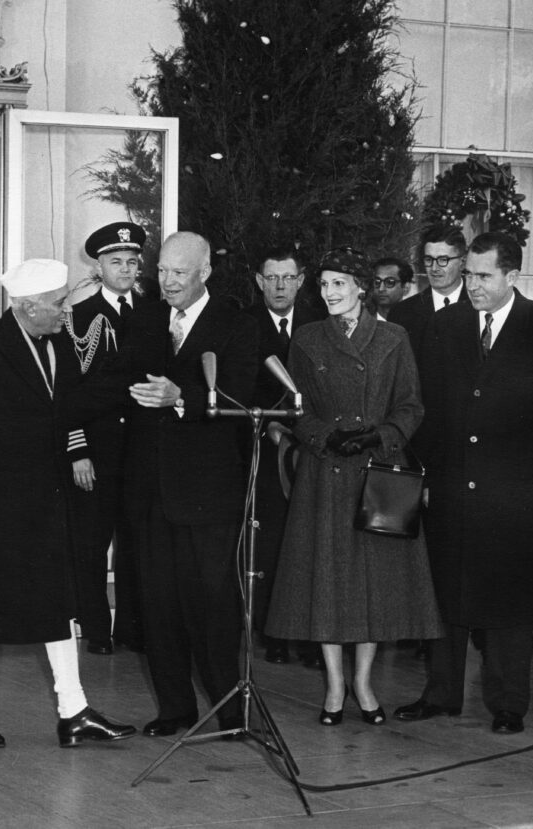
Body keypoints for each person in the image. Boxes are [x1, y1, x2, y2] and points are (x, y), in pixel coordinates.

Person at [70, 231, 260, 737]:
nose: (168, 281)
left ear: (204, 273)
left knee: (214, 605)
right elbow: (114, 381)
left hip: (207, 494)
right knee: (158, 604)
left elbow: (243, 399)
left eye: (180, 272)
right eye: (163, 271)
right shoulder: (147, 318)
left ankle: (230, 713)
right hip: (149, 490)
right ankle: (173, 709)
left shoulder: (237, 325)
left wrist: (183, 397)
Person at [0, 258, 137, 749]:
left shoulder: (57, 348)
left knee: (57, 603)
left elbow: (70, 407)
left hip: (48, 502)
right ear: (27, 308)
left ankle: (73, 711)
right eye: (56, 306)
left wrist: (132, 389)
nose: (64, 314)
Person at [265, 247, 443, 726]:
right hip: (326, 473)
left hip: (378, 473)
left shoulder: (392, 338)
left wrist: (378, 435)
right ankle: (334, 687)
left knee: (373, 587)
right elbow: (292, 405)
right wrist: (323, 436)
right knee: (327, 582)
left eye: (339, 284)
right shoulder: (306, 339)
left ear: (361, 287)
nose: (329, 294)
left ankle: (363, 684)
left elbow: (411, 406)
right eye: (323, 285)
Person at [395, 232, 533, 735]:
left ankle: (507, 703)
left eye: (483, 276)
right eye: (470, 274)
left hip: (516, 495)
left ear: (511, 276)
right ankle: (440, 695)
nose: (471, 284)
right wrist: (426, 471)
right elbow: (425, 408)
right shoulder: (443, 327)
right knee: (443, 593)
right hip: (451, 485)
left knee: (508, 602)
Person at [66, 221, 148, 655]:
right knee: (92, 545)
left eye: (132, 262)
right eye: (116, 262)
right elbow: (68, 393)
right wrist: (78, 450)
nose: (125, 269)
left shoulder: (153, 314)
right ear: (99, 266)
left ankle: (131, 630)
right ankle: (97, 630)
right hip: (95, 450)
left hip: (138, 450)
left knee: (135, 542)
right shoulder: (78, 318)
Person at [244, 245, 323, 666]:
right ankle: (274, 633)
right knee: (272, 544)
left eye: (287, 278)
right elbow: (239, 389)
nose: (279, 286)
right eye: (271, 278)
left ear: (301, 280)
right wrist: (268, 427)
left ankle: (311, 637)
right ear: (259, 281)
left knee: (311, 542)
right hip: (265, 449)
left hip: (312, 450)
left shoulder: (317, 324)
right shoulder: (245, 326)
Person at [389, 225, 470, 361]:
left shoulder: (481, 307)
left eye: (443, 260)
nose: (434, 268)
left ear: (462, 262)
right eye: (429, 260)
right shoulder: (401, 313)